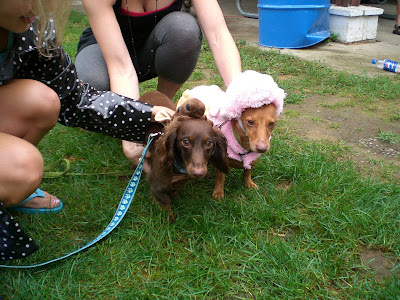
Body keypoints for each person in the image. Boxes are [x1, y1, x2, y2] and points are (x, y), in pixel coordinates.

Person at [0, 0, 173, 261]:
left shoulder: (31, 26)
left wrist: (146, 115)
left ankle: (9, 187)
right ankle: (10, 178)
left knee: (43, 101)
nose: (36, 6)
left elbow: (75, 98)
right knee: (24, 167)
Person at [75, 0, 242, 168]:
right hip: (108, 51)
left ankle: (162, 110)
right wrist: (132, 132)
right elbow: (120, 68)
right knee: (93, 78)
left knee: (184, 30)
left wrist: (241, 98)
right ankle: (127, 114)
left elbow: (218, 35)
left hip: (157, 45)